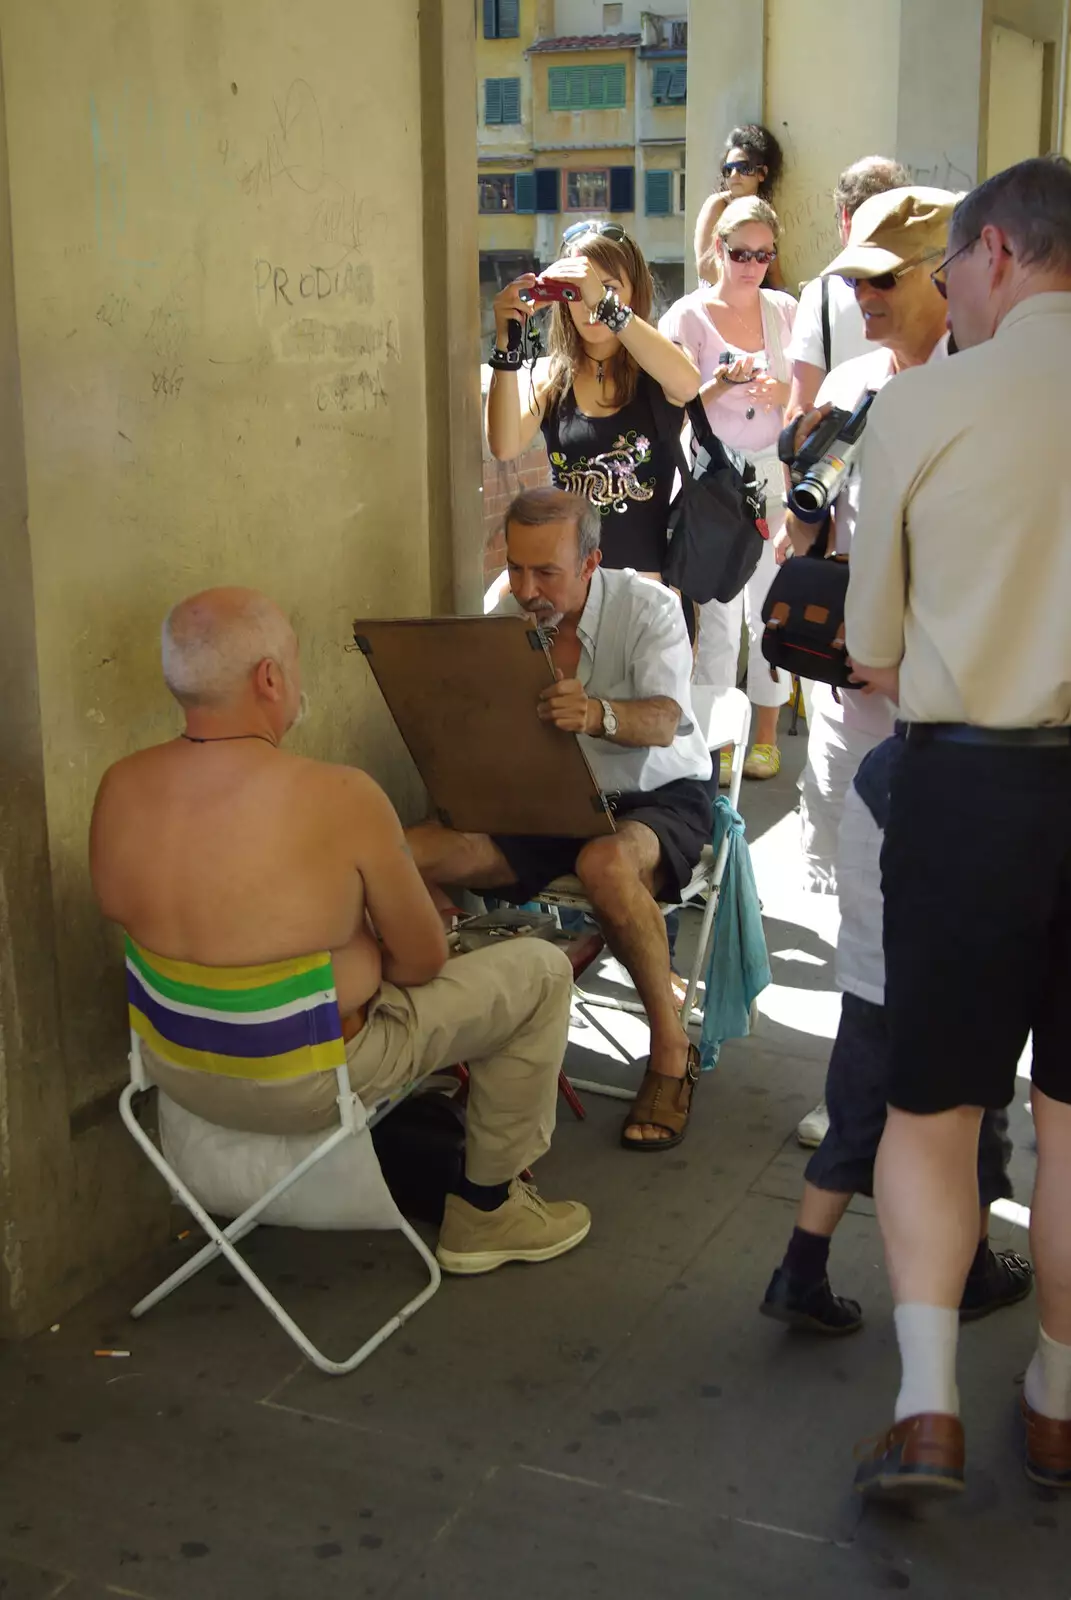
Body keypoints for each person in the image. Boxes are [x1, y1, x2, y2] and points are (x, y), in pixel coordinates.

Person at [89, 587, 591, 1278]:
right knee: (538, 972)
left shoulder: (119, 786)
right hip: (309, 1080)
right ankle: (488, 1208)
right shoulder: (340, 795)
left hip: (177, 1074)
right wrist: (364, 946)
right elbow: (422, 961)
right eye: (293, 662)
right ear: (269, 678)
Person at [845, 156, 1071, 1498]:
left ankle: (923, 1407)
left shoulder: (923, 404)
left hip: (969, 788)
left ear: (991, 251)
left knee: (930, 1108)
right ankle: (1055, 1396)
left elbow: (868, 643)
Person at [407, 488, 714, 1153]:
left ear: (590, 561)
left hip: (655, 794)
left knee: (602, 863)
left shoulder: (648, 606)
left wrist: (598, 714)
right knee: (402, 852)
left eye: (544, 571)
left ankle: (669, 1047)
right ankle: (452, 1015)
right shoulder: (504, 612)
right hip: (548, 796)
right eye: (516, 568)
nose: (525, 587)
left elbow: (664, 719)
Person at [785, 186, 956, 1157]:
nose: (867, 299)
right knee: (866, 907)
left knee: (954, 916)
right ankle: (860, 1103)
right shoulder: (848, 383)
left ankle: (939, 1110)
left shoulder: (991, 389)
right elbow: (796, 542)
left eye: (884, 280)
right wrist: (803, 514)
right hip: (855, 704)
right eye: (855, 281)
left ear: (948, 272)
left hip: (961, 708)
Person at [760, 736, 1032, 1335]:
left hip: (866, 982)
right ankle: (972, 1272)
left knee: (852, 1127)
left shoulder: (880, 761)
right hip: (944, 994)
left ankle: (799, 1270)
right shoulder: (971, 774)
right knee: (979, 1129)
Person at [661, 197, 796, 781]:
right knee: (715, 613)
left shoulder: (785, 310)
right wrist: (718, 383)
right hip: (717, 481)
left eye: (764, 255)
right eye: (742, 253)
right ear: (718, 249)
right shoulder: (688, 317)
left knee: (770, 612)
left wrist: (779, 394)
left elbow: (809, 397)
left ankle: (764, 735)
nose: (753, 265)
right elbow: (673, 403)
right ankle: (715, 740)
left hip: (773, 475)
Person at [485, 221, 699, 580]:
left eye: (608, 289)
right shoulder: (552, 376)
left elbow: (689, 385)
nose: (589, 306)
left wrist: (605, 305)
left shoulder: (659, 366)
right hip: (566, 591)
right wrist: (506, 342)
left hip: (644, 594)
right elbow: (504, 446)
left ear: (633, 293)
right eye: (576, 293)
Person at [783, 157, 910, 425]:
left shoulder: (821, 294)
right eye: (856, 283)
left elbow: (799, 413)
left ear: (844, 217)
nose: (865, 294)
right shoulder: (931, 279)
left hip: (844, 459)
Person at [695, 124, 787, 292]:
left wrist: (789, 303)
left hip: (757, 302)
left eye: (744, 168)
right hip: (719, 300)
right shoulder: (717, 205)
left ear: (762, 174)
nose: (734, 175)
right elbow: (705, 268)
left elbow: (774, 272)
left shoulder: (765, 211)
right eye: (728, 170)